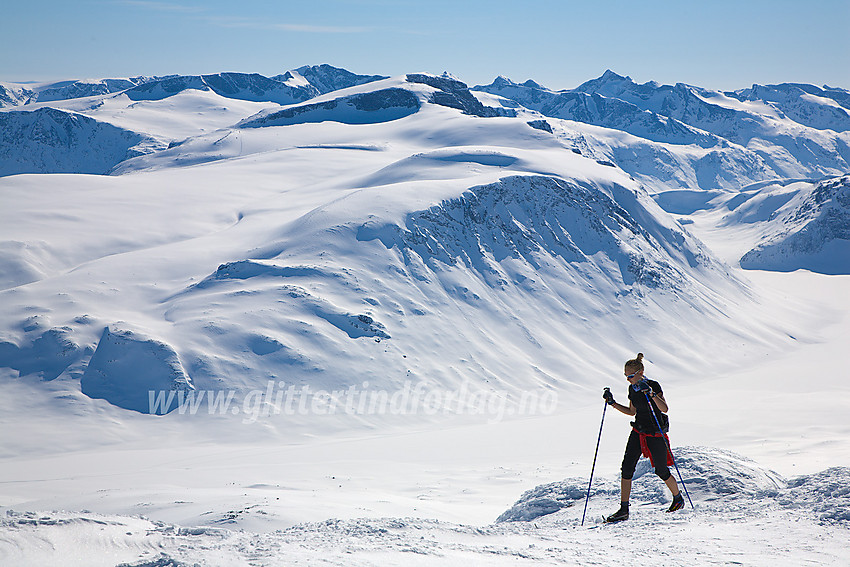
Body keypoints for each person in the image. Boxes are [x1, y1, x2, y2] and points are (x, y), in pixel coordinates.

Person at [602, 353, 684, 522]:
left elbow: (664, 409)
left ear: (640, 372)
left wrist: (652, 394)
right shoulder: (632, 388)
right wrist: (613, 403)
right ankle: (624, 509)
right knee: (626, 468)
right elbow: (632, 412)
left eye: (630, 376)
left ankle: (678, 498)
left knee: (661, 470)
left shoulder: (653, 385)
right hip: (638, 431)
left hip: (655, 433)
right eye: (626, 376)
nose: (628, 379)